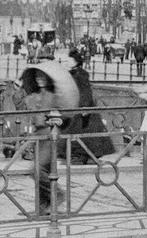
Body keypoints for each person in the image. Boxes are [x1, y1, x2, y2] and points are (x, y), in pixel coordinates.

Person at [20, 62, 80, 216]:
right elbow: (21, 106)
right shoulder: (33, 94)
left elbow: (66, 110)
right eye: (37, 75)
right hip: (38, 134)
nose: (40, 78)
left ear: (49, 78)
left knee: (36, 170)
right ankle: (45, 207)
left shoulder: (53, 95)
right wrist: (16, 90)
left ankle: (58, 195)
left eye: (43, 76)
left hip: (50, 134)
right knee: (45, 171)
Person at [61, 49, 116, 164]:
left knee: (83, 133)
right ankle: (79, 155)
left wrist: (85, 106)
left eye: (69, 60)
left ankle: (81, 156)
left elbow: (86, 91)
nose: (67, 63)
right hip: (74, 107)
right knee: (77, 133)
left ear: (76, 61)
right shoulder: (71, 73)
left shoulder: (81, 74)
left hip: (82, 108)